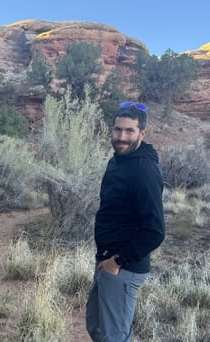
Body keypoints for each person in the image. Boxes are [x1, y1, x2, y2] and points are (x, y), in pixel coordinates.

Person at [85, 102, 165, 342]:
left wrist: (117, 261)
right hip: (107, 259)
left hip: (123, 266)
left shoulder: (143, 170)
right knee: (98, 329)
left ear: (142, 133)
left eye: (129, 131)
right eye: (118, 130)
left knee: (114, 337)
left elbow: (155, 231)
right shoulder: (119, 160)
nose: (122, 137)